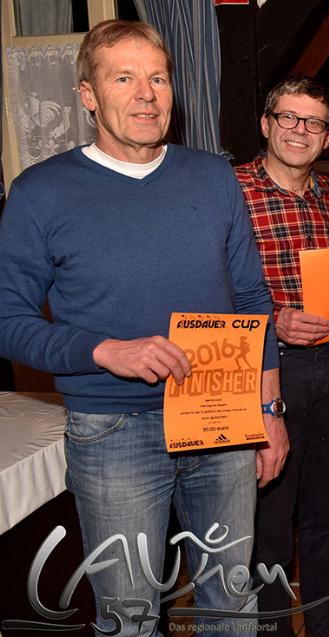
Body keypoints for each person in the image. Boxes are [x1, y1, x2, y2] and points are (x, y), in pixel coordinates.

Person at [0, 19, 288, 636]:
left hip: (220, 420)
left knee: (232, 604)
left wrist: (269, 410)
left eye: (158, 78)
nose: (146, 95)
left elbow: (251, 300)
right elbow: (8, 322)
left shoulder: (214, 176)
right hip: (113, 432)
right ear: (87, 94)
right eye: (123, 79)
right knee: (129, 618)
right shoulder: (40, 193)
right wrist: (102, 350)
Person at [235, 77, 329, 637]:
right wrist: (275, 319)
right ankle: (271, 629)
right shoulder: (232, 191)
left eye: (314, 122)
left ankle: (328, 622)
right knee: (270, 514)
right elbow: (206, 287)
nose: (300, 130)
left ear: (327, 137)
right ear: (266, 123)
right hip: (265, 368)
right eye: (289, 118)